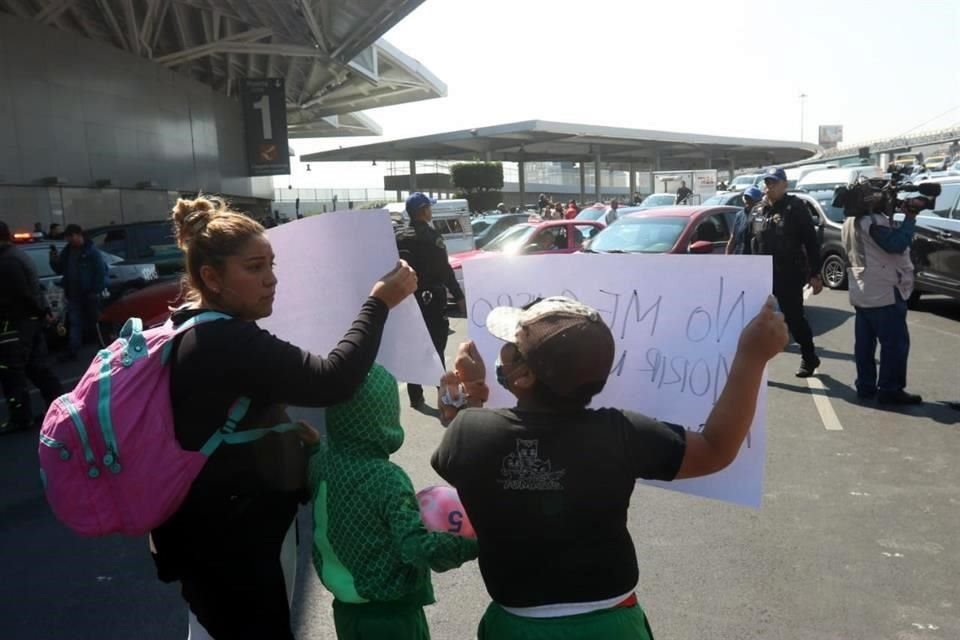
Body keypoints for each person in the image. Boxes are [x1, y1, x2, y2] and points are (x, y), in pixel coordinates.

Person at [432, 296, 787, 639]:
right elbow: (715, 449)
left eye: (511, 345)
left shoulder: (470, 432)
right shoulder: (622, 434)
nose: (502, 350)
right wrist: (752, 358)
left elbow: (465, 443)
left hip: (517, 626)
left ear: (523, 376)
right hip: (613, 624)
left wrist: (472, 394)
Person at [149, 196, 418, 640]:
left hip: (202, 530)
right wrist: (379, 303)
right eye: (254, 268)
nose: (271, 280)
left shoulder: (189, 328)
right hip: (233, 540)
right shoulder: (227, 340)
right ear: (211, 277)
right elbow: (333, 380)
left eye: (272, 265)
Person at [308, 364, 478, 640]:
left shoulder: (321, 463)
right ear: (383, 416)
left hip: (346, 611)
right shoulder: (386, 477)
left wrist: (314, 446)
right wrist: (473, 545)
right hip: (392, 617)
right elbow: (415, 548)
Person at [841, 193, 926, 405]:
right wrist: (910, 218)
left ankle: (866, 386)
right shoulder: (872, 222)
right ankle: (890, 389)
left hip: (862, 290)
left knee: (864, 345)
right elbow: (896, 244)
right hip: (883, 292)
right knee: (895, 344)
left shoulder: (850, 222)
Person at [751, 167, 824, 377]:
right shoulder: (757, 210)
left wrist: (815, 274)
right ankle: (756, 364)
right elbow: (747, 242)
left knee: (794, 319)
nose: (769, 186)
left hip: (788, 274)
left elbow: (811, 242)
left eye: (774, 182)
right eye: (767, 182)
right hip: (760, 276)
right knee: (757, 320)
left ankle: (809, 357)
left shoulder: (795, 208)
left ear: (785, 185)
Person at [395, 192, 466, 409]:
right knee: (436, 347)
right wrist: (459, 296)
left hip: (406, 298)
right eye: (429, 208)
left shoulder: (398, 236)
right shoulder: (431, 236)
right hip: (432, 299)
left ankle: (416, 396)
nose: (431, 211)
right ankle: (444, 394)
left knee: (412, 345)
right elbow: (444, 270)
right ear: (423, 210)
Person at [0, 221, 63, 433]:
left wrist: (39, 313)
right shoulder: (16, 256)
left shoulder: (7, 261)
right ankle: (58, 406)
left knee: (12, 372)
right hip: (27, 322)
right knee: (36, 367)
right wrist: (41, 314)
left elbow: (21, 294)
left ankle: (21, 418)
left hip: (16, 324)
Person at [49, 224, 108, 361]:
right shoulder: (68, 251)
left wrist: (95, 290)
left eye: (70, 237)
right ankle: (73, 350)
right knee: (75, 322)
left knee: (95, 322)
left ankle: (104, 347)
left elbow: (100, 272)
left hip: (89, 294)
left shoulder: (91, 252)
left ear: (78, 235)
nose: (69, 240)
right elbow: (59, 269)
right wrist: (53, 259)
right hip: (74, 293)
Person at [726, 186, 763, 255]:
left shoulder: (762, 215)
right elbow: (733, 238)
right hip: (739, 256)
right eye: (746, 198)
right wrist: (727, 256)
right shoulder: (739, 215)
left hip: (754, 258)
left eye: (751, 199)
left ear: (758, 201)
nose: (747, 201)